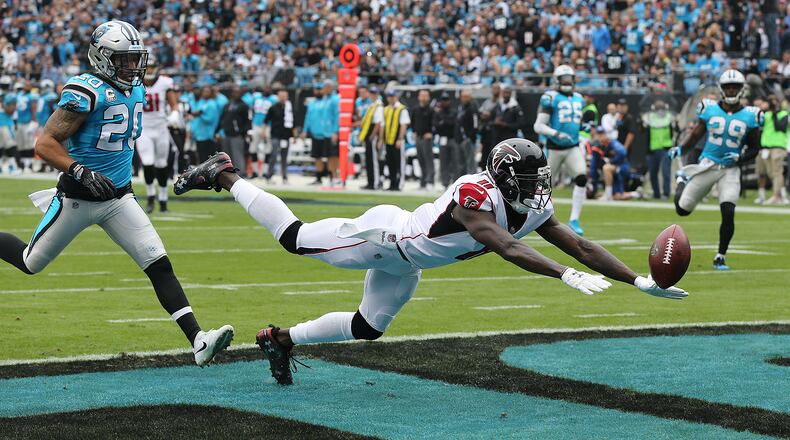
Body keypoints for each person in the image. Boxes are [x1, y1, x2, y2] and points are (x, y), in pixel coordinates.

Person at [173, 140, 687, 385]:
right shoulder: (475, 194)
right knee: (295, 237)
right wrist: (562, 274)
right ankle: (224, 174)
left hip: (408, 262)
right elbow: (505, 246)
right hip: (384, 239)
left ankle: (279, 340)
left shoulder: (530, 205)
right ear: (506, 178)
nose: (538, 189)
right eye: (530, 180)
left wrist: (640, 281)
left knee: (367, 326)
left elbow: (582, 245)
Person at [0, 20, 233, 366]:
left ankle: (198, 340)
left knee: (159, 264)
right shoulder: (85, 90)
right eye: (124, 59)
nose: (132, 67)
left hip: (120, 198)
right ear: (102, 57)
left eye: (135, 59)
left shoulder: (136, 90)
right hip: (77, 198)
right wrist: (78, 169)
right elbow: (45, 144)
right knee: (30, 263)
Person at [669, 70, 763, 270]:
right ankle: (681, 180)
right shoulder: (709, 109)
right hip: (708, 165)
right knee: (682, 209)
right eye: (728, 86)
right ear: (721, 89)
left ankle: (720, 256)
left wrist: (741, 157)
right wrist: (681, 148)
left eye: (735, 87)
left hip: (730, 169)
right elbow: (695, 136)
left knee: (728, 210)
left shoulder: (751, 115)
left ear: (741, 89)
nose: (731, 90)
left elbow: (755, 148)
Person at [533, 65, 587, 236]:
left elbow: (577, 124)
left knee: (582, 177)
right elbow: (538, 125)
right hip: (554, 148)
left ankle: (574, 219)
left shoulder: (579, 98)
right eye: (564, 79)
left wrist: (586, 125)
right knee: (544, 186)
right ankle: (536, 219)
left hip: (572, 147)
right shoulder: (550, 97)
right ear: (557, 80)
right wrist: (556, 133)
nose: (567, 82)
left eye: (569, 79)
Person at [139, 55, 178, 213]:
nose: (149, 71)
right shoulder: (135, 83)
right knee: (148, 161)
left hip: (161, 127)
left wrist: (175, 114)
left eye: (151, 67)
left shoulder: (164, 82)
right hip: (143, 128)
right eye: (147, 67)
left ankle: (163, 199)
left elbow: (173, 104)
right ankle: (150, 196)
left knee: (161, 163)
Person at [590, 127, 642, 200]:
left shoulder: (612, 143)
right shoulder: (597, 146)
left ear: (605, 134)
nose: (600, 136)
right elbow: (593, 166)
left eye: (602, 134)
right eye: (598, 134)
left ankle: (608, 195)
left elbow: (622, 152)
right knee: (617, 197)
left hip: (622, 167)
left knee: (606, 168)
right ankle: (636, 194)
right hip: (613, 172)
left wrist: (612, 161)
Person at [755, 96, 788, 204]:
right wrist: (763, 109)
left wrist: (774, 113)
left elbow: (780, 127)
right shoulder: (766, 114)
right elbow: (757, 123)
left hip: (778, 147)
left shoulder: (784, 114)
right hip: (765, 147)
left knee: (777, 172)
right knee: (769, 173)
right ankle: (777, 196)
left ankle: (776, 196)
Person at [642, 100, 676, 199]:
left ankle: (666, 193)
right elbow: (644, 130)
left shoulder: (669, 118)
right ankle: (656, 193)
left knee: (666, 172)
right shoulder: (649, 118)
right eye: (658, 109)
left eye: (661, 109)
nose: (660, 111)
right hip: (653, 149)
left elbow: (675, 130)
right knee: (653, 173)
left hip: (666, 148)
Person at [380, 89, 410, 191]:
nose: (391, 98)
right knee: (390, 163)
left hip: (397, 140)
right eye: (389, 96)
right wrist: (381, 139)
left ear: (396, 97)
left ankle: (399, 184)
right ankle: (392, 183)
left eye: (392, 96)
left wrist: (400, 138)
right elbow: (383, 126)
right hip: (388, 140)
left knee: (399, 163)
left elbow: (403, 125)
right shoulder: (386, 109)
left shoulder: (402, 109)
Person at [263, 88, 294, 184]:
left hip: (286, 135)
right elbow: (266, 120)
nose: (283, 98)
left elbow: (294, 122)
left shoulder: (289, 108)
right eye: (281, 96)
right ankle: (269, 175)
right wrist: (263, 131)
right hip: (275, 135)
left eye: (284, 96)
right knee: (274, 155)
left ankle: (284, 177)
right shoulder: (273, 107)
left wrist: (295, 135)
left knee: (284, 157)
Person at [219, 86, 251, 177]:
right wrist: (217, 131)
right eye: (234, 92)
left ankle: (240, 174)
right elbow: (222, 119)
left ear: (241, 93)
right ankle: (229, 174)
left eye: (238, 92)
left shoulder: (244, 105)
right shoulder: (227, 105)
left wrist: (245, 132)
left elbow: (247, 120)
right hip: (226, 134)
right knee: (227, 156)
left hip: (237, 135)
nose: (236, 94)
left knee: (238, 155)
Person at [357, 86, 384, 190]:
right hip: (368, 134)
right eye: (371, 93)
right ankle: (370, 182)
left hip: (373, 135)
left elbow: (378, 123)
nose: (373, 95)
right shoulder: (372, 105)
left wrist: (373, 135)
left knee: (373, 161)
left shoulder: (378, 106)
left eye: (374, 93)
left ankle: (375, 182)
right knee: (369, 160)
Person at [302, 82, 329, 185]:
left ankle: (331, 177)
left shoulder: (327, 102)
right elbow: (307, 118)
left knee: (328, 156)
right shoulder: (312, 103)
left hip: (326, 133)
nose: (318, 91)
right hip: (315, 133)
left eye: (320, 89)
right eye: (316, 89)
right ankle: (319, 178)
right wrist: (305, 130)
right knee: (317, 156)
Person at [410, 89, 435, 190]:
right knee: (420, 160)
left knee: (428, 160)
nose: (423, 97)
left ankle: (430, 181)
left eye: (425, 96)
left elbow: (434, 123)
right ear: (419, 97)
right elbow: (412, 121)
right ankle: (423, 181)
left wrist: (431, 133)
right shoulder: (415, 109)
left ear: (428, 98)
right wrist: (414, 131)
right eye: (422, 95)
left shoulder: (431, 110)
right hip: (418, 137)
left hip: (427, 138)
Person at [433, 92, 458, 187]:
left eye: (446, 100)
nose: (445, 102)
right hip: (443, 138)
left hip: (452, 138)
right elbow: (436, 125)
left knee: (455, 161)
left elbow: (454, 123)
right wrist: (445, 123)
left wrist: (443, 122)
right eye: (443, 100)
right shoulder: (438, 113)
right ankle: (445, 183)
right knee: (443, 162)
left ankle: (455, 182)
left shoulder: (453, 112)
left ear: (449, 101)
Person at [191, 85, 222, 162]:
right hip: (198, 134)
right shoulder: (201, 102)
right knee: (200, 157)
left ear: (211, 93)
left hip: (208, 135)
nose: (205, 93)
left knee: (207, 158)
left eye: (207, 92)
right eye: (204, 91)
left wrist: (200, 114)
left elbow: (210, 119)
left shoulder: (212, 104)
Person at [15, 80, 38, 172]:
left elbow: (33, 109)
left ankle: (29, 164)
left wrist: (34, 121)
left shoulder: (31, 96)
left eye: (29, 85)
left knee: (29, 144)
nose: (27, 87)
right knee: (21, 144)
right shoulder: (19, 94)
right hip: (20, 122)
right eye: (26, 85)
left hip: (28, 122)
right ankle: (22, 164)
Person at [478, 83, 501, 170]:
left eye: (497, 88)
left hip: (497, 133)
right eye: (494, 88)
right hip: (486, 132)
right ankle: (483, 170)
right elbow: (481, 113)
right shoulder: (487, 102)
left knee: (495, 153)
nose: (495, 90)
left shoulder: (501, 102)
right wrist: (483, 115)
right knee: (485, 153)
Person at [456, 89, 479, 175]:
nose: (464, 99)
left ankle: (472, 182)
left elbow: (475, 125)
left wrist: (470, 137)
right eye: (463, 97)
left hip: (469, 140)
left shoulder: (473, 108)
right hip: (460, 139)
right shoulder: (460, 108)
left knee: (471, 163)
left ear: (470, 97)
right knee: (461, 163)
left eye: (466, 97)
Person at [0, 92, 17, 174]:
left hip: (6, 124)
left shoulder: (7, 102)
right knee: (6, 147)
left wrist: (7, 105)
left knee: (10, 147)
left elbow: (10, 111)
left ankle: (12, 166)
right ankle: (11, 167)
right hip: (5, 125)